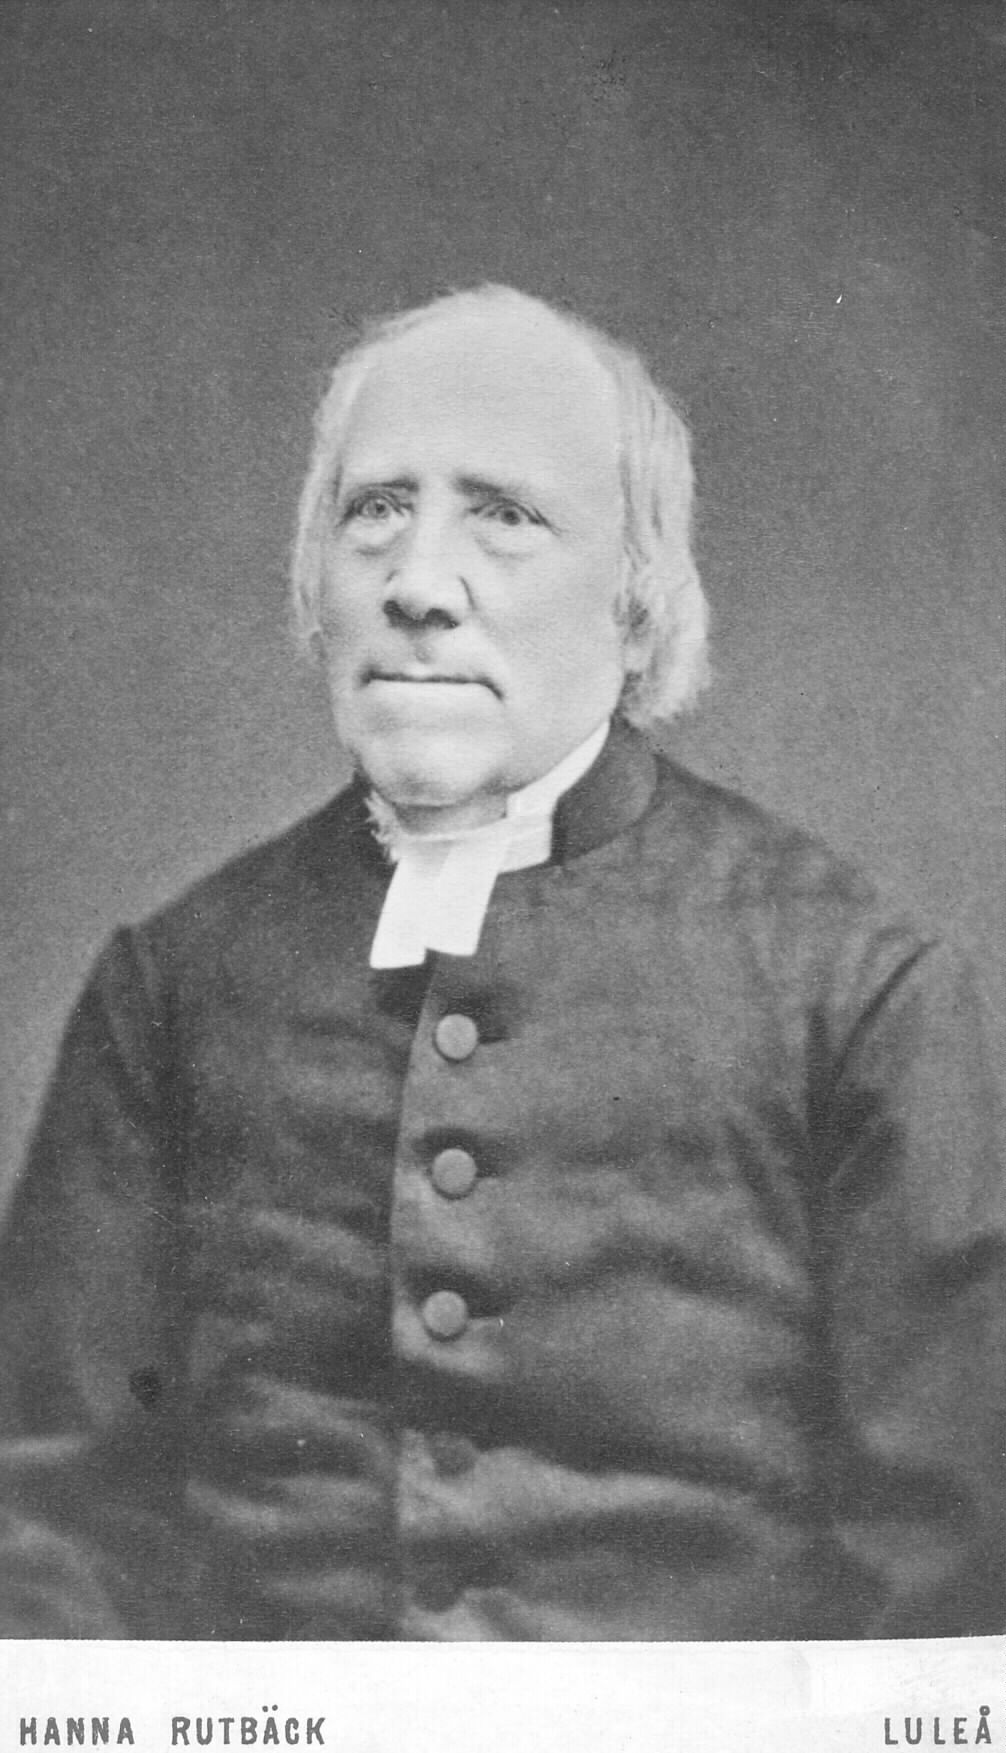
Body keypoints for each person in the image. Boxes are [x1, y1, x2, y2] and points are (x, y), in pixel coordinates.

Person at [0, 285, 1001, 1641]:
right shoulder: (172, 984)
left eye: (505, 515)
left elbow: (947, 1585)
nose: (417, 584)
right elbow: (47, 1531)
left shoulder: (854, 988)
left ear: (636, 605)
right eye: (374, 511)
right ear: (315, 583)